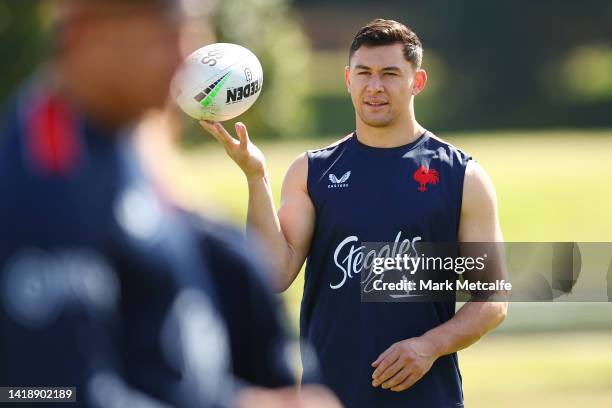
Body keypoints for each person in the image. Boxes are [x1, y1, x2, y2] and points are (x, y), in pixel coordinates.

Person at [0, 1, 340, 407]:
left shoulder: (123, 142)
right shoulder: (42, 180)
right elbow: (47, 395)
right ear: (82, 32)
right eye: (168, 33)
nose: (186, 57)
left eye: (195, 30)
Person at [201, 18, 508, 407]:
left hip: (428, 399)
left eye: (390, 73)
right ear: (348, 78)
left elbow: (492, 299)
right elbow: (275, 273)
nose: (374, 86)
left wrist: (428, 346)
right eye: (364, 73)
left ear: (418, 81)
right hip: (332, 397)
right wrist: (254, 175)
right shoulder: (313, 171)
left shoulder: (462, 176)